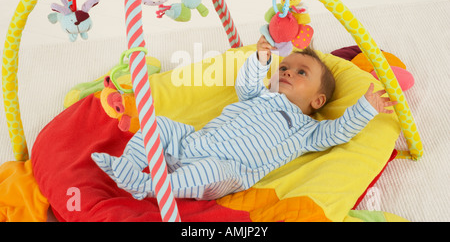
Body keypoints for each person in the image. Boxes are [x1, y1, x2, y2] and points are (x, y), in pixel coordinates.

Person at [92, 36, 397, 200]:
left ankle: (147, 185)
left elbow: (339, 131)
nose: (287, 71)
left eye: (301, 72)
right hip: (190, 145)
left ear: (317, 101)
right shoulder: (258, 95)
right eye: (283, 68)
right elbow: (246, 85)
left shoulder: (308, 129)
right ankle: (130, 166)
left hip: (228, 171)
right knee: (160, 125)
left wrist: (365, 108)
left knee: (211, 170)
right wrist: (260, 61)